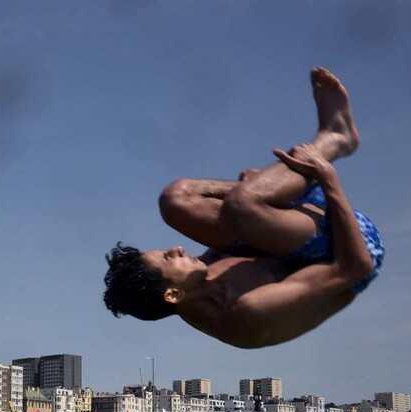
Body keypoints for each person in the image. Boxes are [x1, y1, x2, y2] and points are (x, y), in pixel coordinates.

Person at [103, 68, 382, 348]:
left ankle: (272, 188)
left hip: (287, 242)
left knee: (175, 200)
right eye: (167, 258)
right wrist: (328, 179)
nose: (176, 248)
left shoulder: (200, 278)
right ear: (173, 294)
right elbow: (354, 268)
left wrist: (260, 188)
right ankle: (334, 138)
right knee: (241, 208)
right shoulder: (245, 310)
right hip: (350, 249)